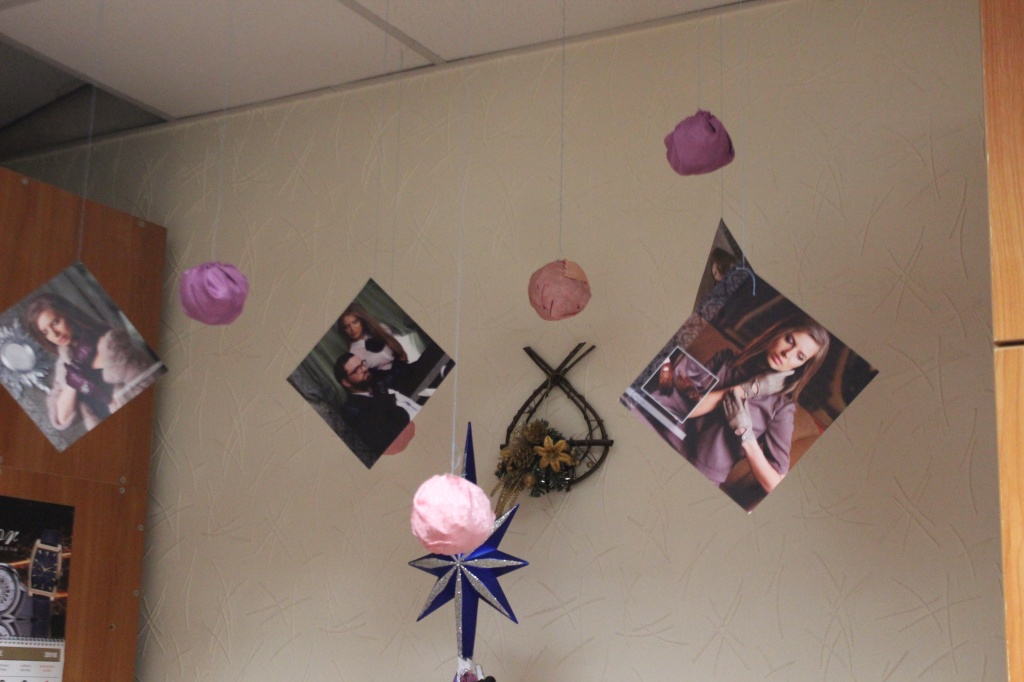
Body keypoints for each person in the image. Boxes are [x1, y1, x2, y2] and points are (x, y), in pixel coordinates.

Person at [659, 318, 830, 494]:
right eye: (789, 340)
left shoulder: (781, 407)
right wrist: (746, 389)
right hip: (663, 440)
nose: (788, 353)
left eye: (800, 356)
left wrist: (747, 437)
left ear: (802, 366)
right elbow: (683, 410)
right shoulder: (726, 360)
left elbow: (775, 484)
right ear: (778, 333)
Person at [24, 293, 156, 432]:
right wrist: (74, 378)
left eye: (56, 322)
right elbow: (61, 418)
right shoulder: (64, 367)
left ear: (68, 314)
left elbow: (150, 380)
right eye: (45, 332)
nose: (54, 335)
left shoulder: (111, 344)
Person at [334, 352, 419, 454]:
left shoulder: (374, 380)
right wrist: (384, 398)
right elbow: (398, 427)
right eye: (357, 369)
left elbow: (399, 375)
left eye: (362, 364)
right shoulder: (357, 412)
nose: (364, 369)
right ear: (346, 382)